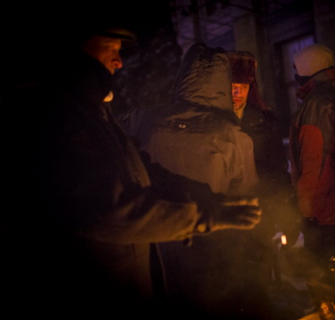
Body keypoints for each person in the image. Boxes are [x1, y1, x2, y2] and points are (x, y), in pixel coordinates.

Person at [1, 26, 261, 316]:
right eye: (110, 48)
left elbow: (141, 167)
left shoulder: (95, 111)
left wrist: (204, 198)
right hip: (85, 290)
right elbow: (106, 207)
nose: (119, 61)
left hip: (127, 280)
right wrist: (204, 215)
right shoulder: (49, 111)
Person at [120, 43, 263, 319]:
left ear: (183, 76)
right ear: (224, 82)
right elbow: (246, 195)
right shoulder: (235, 136)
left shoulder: (144, 119)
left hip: (152, 247)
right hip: (208, 251)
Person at [227, 50, 301, 318]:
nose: (237, 92)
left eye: (243, 87)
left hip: (259, 212)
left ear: (250, 88)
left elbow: (279, 171)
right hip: (224, 216)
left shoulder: (264, 121)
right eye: (232, 87)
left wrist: (286, 214)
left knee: (258, 278)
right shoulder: (212, 121)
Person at [288, 43, 335, 304]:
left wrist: (306, 211)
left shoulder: (318, 103)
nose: (294, 75)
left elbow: (315, 163)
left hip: (325, 212)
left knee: (324, 283)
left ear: (306, 71)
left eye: (296, 70)